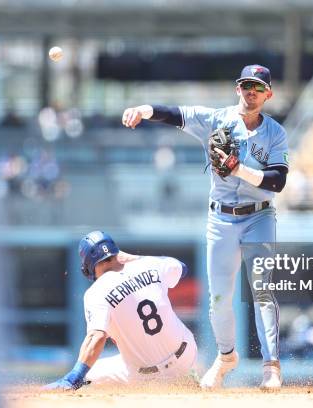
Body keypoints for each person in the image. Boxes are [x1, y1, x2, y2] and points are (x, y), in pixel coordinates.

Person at [121, 64, 288, 389]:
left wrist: (238, 169)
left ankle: (271, 367)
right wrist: (142, 109)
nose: (250, 91)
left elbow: (278, 180)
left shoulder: (275, 133)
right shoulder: (216, 120)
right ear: (236, 89)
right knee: (219, 298)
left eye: (257, 87)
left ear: (268, 94)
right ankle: (226, 357)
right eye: (245, 85)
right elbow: (174, 114)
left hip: (259, 217)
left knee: (262, 291)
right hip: (221, 219)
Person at [44, 231, 197, 389]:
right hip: (187, 355)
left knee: (86, 378)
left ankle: (67, 385)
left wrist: (74, 377)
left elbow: (96, 337)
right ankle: (186, 379)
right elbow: (181, 268)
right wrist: (136, 258)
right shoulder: (150, 264)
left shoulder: (96, 292)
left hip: (147, 376)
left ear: (88, 266)